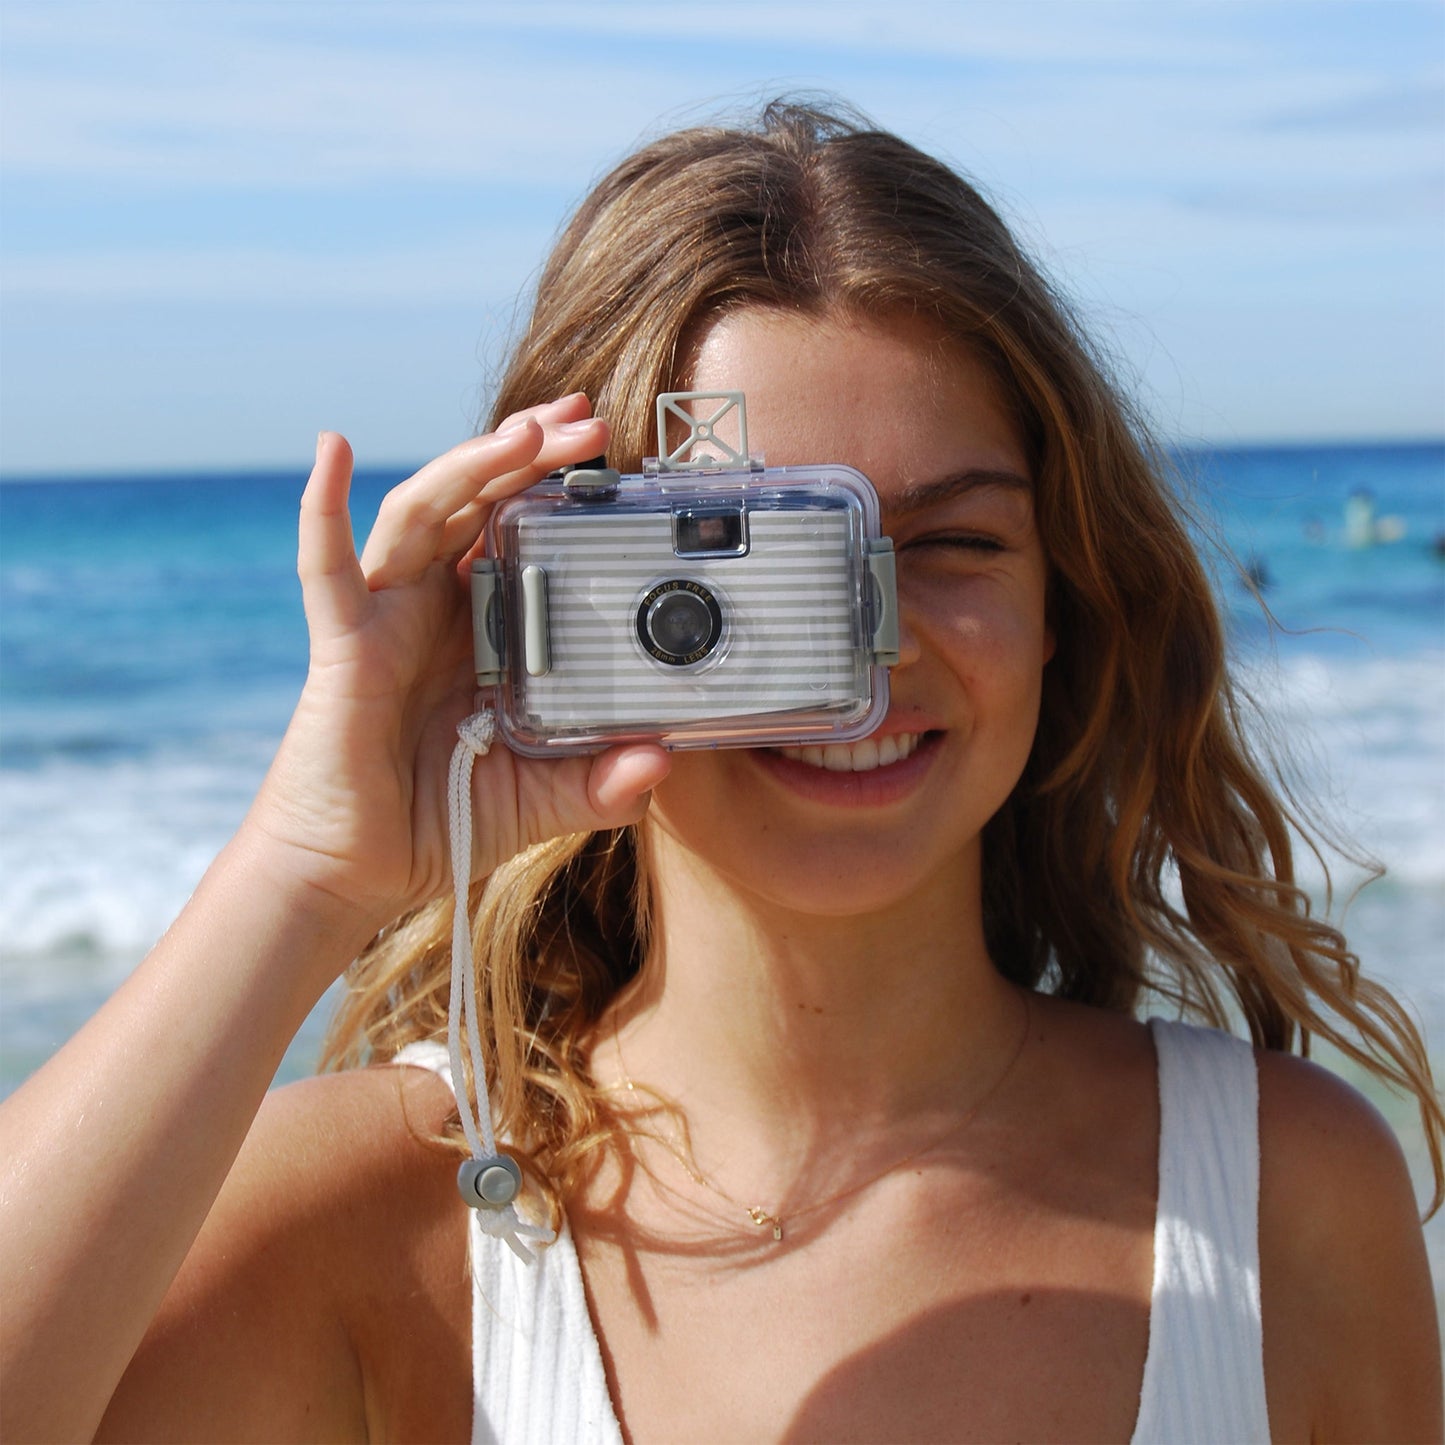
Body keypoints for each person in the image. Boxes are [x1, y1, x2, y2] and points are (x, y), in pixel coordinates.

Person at [2, 99, 1441, 1444]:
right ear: (565, 600)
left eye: (950, 545)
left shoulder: (1279, 1191)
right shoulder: (368, 1212)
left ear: (1064, 600)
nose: (863, 655)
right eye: (751, 573)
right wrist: (304, 869)